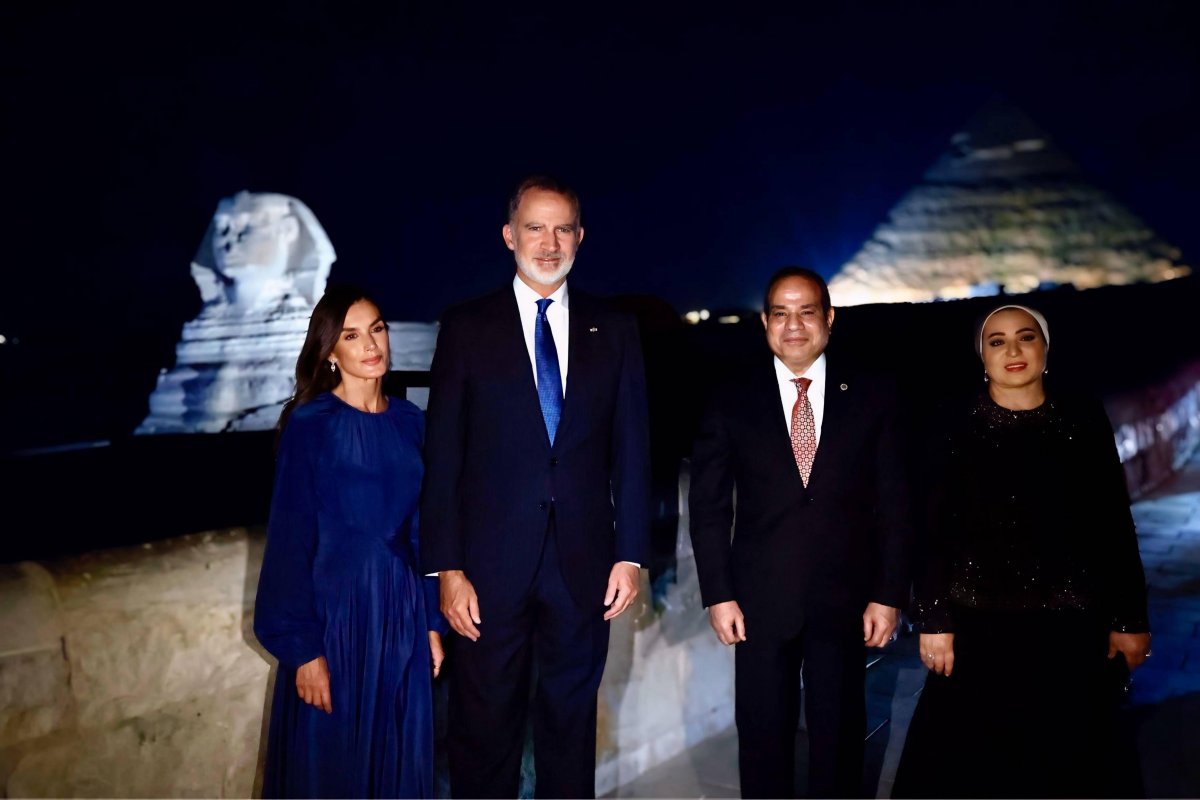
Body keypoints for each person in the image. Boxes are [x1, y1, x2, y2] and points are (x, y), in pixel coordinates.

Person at [420, 174, 651, 798]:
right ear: (508, 235)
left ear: (580, 237)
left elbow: (632, 450)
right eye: (534, 227)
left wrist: (630, 554)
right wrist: (447, 567)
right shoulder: (467, 327)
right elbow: (443, 455)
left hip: (584, 565)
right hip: (488, 570)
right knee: (482, 724)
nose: (548, 244)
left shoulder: (616, 330)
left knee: (570, 724)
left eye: (561, 229)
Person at [892, 303, 1152, 799]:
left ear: (1046, 348)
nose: (1012, 350)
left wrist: (1129, 617)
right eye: (997, 341)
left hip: (1072, 628)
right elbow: (928, 529)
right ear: (982, 356)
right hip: (977, 630)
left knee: (1073, 766)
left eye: (1026, 337)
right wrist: (932, 618)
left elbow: (1112, 523)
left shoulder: (1082, 416)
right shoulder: (952, 423)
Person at [688, 267, 914, 798]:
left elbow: (897, 503)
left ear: (829, 319)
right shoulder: (730, 399)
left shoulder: (874, 394)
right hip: (760, 603)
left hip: (846, 600)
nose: (794, 325)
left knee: (839, 741)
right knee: (764, 740)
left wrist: (888, 593)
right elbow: (708, 506)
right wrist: (718, 594)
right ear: (765, 322)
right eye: (781, 313)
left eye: (806, 311)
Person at [253, 283, 446, 798]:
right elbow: (291, 539)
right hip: (336, 618)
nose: (371, 345)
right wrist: (303, 651)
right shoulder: (311, 426)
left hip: (402, 611)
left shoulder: (413, 423)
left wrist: (430, 621)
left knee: (399, 762)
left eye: (377, 329)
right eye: (352, 335)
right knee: (333, 765)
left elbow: (424, 529)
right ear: (330, 353)